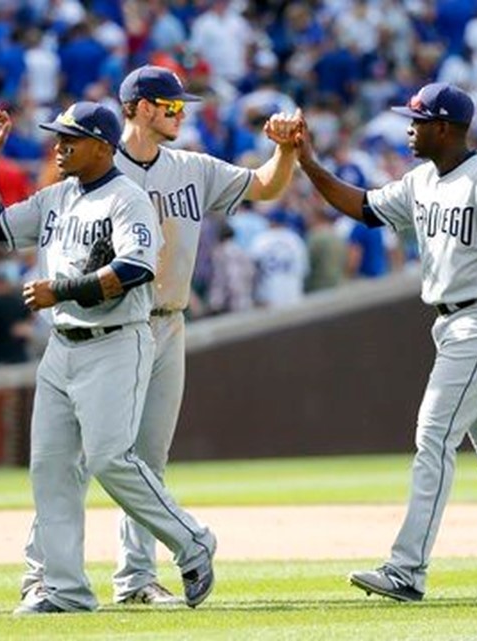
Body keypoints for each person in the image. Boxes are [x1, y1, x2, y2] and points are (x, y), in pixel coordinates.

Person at [22, 64, 300, 606]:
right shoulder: (94, 164)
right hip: (104, 325)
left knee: (147, 456)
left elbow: (265, 186)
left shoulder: (190, 167)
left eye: (181, 107)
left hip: (167, 321)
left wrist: (286, 151)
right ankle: (46, 574)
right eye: (171, 106)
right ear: (141, 108)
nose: (180, 114)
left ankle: (136, 578)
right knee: (69, 459)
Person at [294, 83, 477, 600]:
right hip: (453, 322)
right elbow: (362, 207)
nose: (409, 127)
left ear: (444, 128)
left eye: (418, 120)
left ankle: (407, 569)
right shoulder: (421, 180)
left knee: (434, 434)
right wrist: (308, 163)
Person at [0, 100, 217, 614]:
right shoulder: (57, 195)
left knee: (111, 459)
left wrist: (59, 289)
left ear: (103, 146)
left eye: (71, 138)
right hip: (61, 346)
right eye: (58, 136)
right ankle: (64, 591)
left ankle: (192, 540)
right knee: (51, 468)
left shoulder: (128, 198)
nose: (59, 146)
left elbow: (135, 269)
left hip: (115, 341)